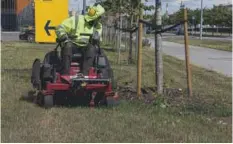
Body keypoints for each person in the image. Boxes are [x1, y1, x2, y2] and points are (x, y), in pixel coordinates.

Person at [55, 4, 105, 75]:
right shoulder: (76, 20)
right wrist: (63, 36)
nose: (100, 18)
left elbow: (98, 36)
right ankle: (65, 73)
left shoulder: (98, 26)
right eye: (99, 16)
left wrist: (96, 38)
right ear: (94, 15)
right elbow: (59, 27)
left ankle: (84, 74)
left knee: (92, 48)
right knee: (67, 46)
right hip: (73, 45)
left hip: (86, 47)